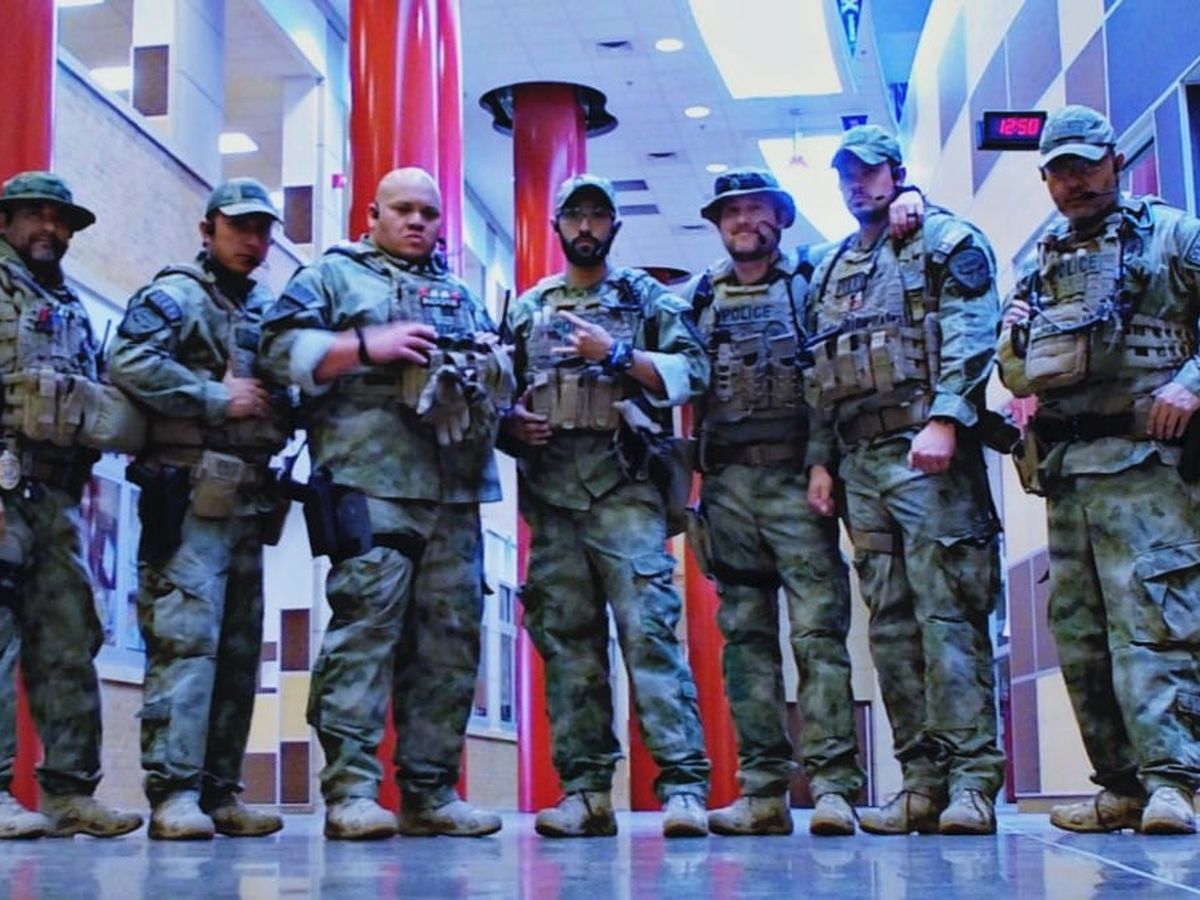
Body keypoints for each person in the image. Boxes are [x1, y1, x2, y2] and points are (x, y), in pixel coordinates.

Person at [260, 167, 507, 840]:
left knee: (450, 643)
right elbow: (276, 351)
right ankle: (351, 792)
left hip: (455, 492)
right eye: (402, 209)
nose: (417, 221)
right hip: (370, 484)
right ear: (371, 215)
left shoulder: (461, 294)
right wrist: (368, 346)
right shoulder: (332, 277)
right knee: (365, 635)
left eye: (429, 212)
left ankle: (430, 792)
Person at [681, 168, 925, 837]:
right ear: (718, 224)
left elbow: (829, 373)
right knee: (745, 642)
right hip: (727, 491)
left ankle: (834, 789)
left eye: (757, 209)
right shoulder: (697, 297)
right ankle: (762, 791)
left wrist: (911, 198)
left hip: (799, 484)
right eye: (731, 213)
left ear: (781, 218)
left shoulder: (813, 281)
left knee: (819, 639)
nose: (744, 222)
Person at [998, 105, 1200, 835]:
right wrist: (1014, 340)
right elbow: (1016, 373)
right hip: (1069, 474)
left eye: (1086, 165)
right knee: (1081, 637)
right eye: (1060, 171)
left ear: (1115, 160)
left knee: (1153, 625)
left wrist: (1193, 382)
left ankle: (1176, 783)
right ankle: (1122, 787)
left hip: (1150, 469)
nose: (1075, 181)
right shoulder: (1041, 264)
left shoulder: (1175, 235)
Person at [804, 126, 1006, 835]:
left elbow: (973, 334)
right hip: (860, 465)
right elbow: (819, 373)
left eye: (868, 172)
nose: (856, 185)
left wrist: (947, 418)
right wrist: (821, 460)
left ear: (896, 172)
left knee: (949, 616)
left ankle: (972, 783)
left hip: (927, 453)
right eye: (845, 175)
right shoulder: (830, 269)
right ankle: (920, 782)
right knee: (890, 626)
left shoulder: (943, 240)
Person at [500, 173, 711, 839]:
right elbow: (495, 393)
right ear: (558, 225)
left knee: (650, 636)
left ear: (614, 226)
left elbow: (692, 371)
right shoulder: (528, 309)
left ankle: (683, 787)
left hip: (625, 491)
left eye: (597, 215)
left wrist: (616, 354)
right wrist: (510, 424)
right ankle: (586, 791)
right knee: (567, 648)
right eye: (575, 215)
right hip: (553, 501)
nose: (586, 226)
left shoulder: (645, 298)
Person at [107, 178, 292, 840]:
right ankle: (174, 793)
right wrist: (215, 396)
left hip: (247, 500)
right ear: (207, 229)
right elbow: (127, 360)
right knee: (185, 643)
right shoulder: (175, 296)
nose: (253, 241)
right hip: (187, 495)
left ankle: (219, 791)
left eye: (263, 230)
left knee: (240, 650)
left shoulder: (268, 311)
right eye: (240, 227)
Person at [0, 172, 142, 839]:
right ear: (6, 221)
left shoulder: (69, 304)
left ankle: (69, 792)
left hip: (57, 498)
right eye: (36, 215)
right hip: (4, 487)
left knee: (68, 636)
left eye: (60, 220)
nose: (50, 229)